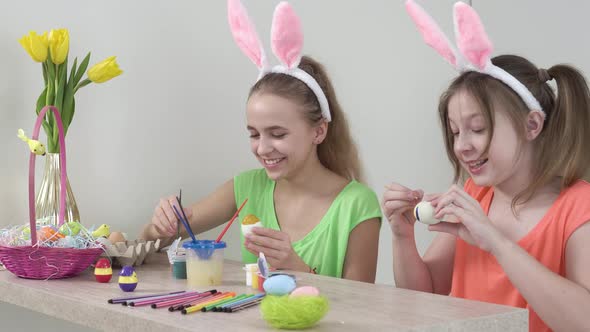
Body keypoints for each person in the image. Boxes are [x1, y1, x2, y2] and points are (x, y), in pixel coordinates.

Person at [383, 1, 590, 330]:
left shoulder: (579, 207)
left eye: (478, 129)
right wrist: (402, 236)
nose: (462, 145)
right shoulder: (475, 195)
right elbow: (424, 294)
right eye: (455, 132)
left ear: (531, 125)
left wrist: (496, 241)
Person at [141, 0, 381, 282]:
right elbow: (150, 245)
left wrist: (297, 268)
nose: (263, 148)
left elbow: (363, 306)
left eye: (278, 134)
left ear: (319, 131)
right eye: (254, 134)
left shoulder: (357, 205)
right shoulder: (246, 188)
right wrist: (159, 228)